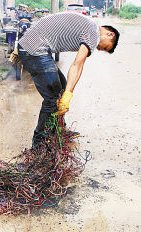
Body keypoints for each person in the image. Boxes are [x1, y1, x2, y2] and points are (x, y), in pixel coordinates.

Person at [18, 12, 120, 146]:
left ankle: (59, 130)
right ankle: (38, 146)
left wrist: (67, 91)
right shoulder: (93, 33)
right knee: (53, 98)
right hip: (34, 49)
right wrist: (69, 94)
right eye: (105, 47)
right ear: (110, 34)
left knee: (62, 86)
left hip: (35, 46)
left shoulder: (89, 27)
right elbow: (77, 64)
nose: (100, 49)